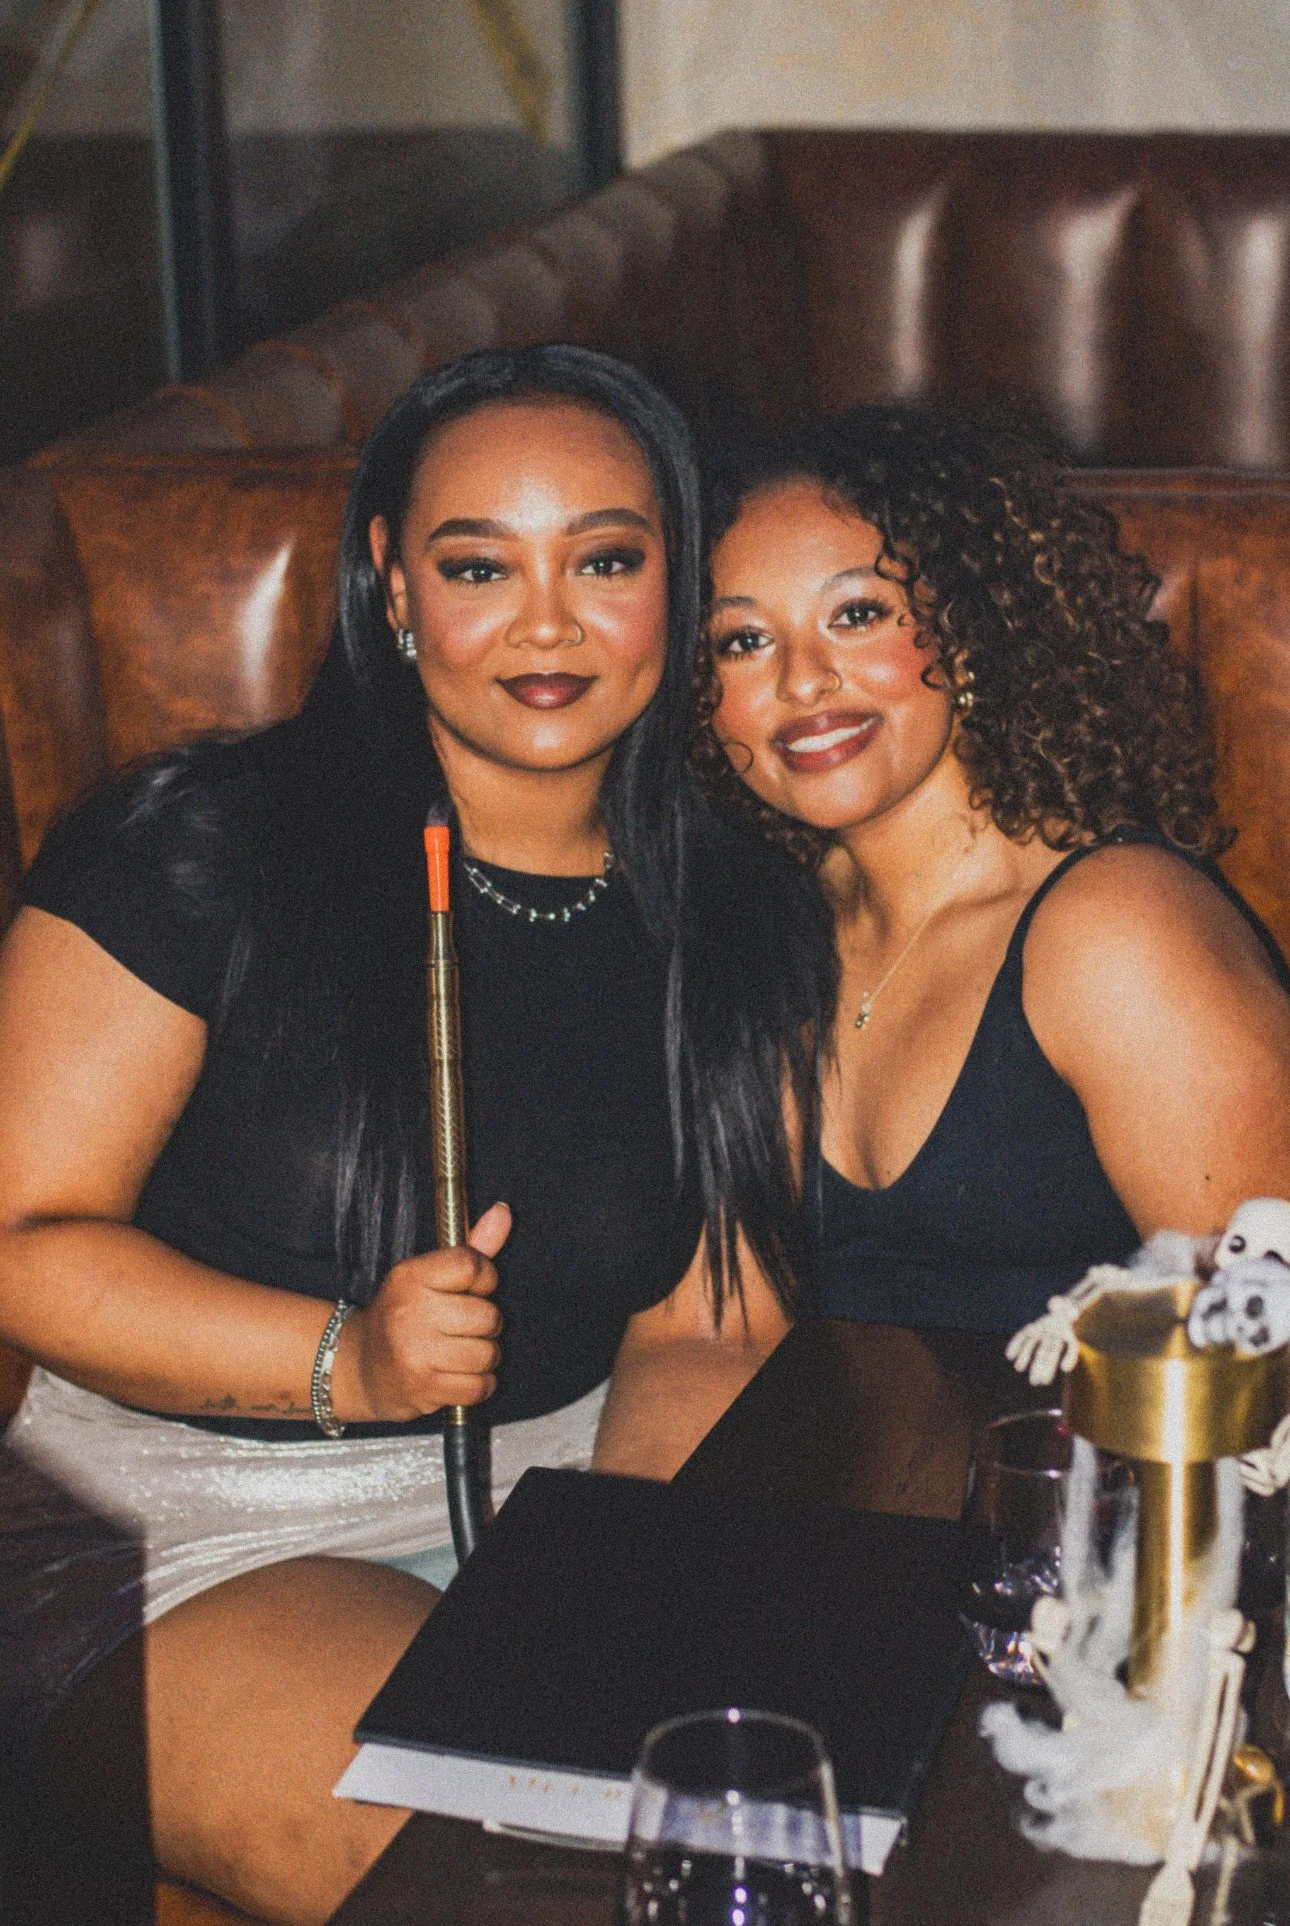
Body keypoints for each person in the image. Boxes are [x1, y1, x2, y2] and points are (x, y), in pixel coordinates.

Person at [0, 346, 831, 1924]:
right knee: (522, 1888)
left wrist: (610, 1562)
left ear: (678, 575)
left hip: (560, 1490)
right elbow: (22, 1240)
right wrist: (347, 1360)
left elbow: (706, 1320)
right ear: (389, 580)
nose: (542, 623)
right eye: (475, 564)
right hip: (173, 1519)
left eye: (603, 559)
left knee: (761, 1848)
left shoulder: (743, 906)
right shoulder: (194, 847)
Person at [694, 403, 1290, 1332]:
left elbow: (1264, 1348)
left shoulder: (1118, 933)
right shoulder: (771, 920)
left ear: (965, 635)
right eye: (743, 641)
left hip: (1103, 1475)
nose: (801, 680)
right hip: (818, 1472)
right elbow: (710, 1338)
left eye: (857, 615)